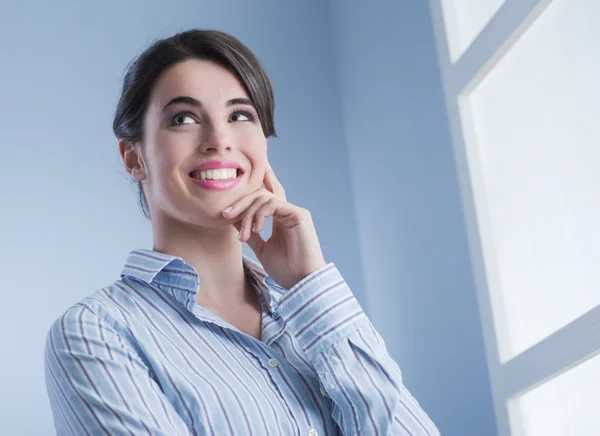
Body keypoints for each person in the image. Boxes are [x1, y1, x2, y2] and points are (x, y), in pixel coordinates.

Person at [44, 28, 440, 436]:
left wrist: (311, 283)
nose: (219, 140)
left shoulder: (316, 319)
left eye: (240, 115)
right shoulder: (96, 332)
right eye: (183, 118)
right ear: (133, 158)